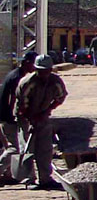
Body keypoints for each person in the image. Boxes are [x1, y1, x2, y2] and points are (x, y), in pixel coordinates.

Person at [14, 54, 68, 188]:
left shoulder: (55, 82)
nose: (43, 74)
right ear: (35, 69)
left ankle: (45, 178)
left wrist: (46, 111)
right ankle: (29, 179)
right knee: (27, 148)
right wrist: (30, 120)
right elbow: (22, 106)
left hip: (43, 115)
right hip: (25, 117)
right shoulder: (27, 83)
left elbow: (60, 97)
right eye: (40, 70)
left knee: (45, 148)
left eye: (46, 70)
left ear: (50, 70)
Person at [1, 52, 37, 150]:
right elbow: (13, 98)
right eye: (34, 64)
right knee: (14, 149)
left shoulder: (17, 73)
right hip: (8, 117)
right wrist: (13, 116)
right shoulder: (17, 78)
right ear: (27, 62)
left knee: (13, 148)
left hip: (6, 116)